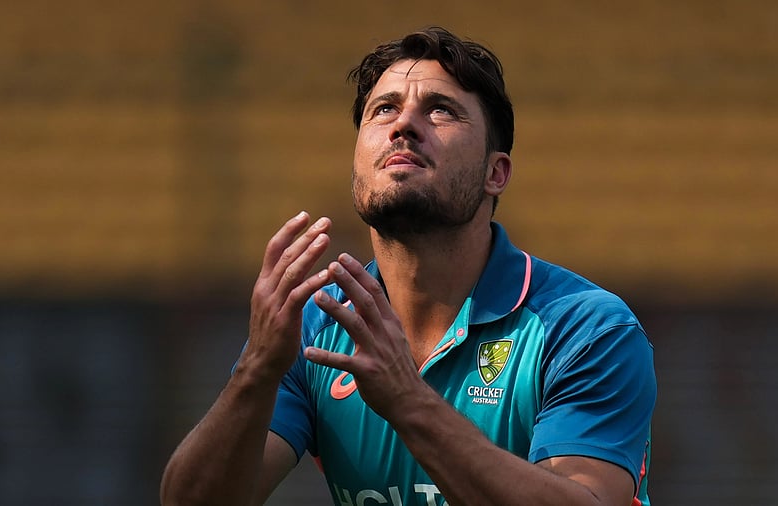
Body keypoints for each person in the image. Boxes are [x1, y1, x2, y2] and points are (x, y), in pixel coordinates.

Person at [160, 26, 656, 506]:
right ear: (358, 159)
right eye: (384, 109)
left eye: (440, 110)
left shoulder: (587, 328)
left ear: (495, 173)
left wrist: (407, 400)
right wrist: (256, 369)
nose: (402, 125)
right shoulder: (315, 323)